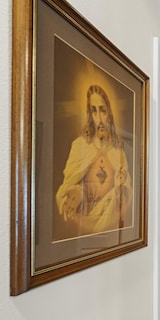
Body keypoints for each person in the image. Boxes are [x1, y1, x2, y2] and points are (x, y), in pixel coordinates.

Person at [55, 84, 132, 235]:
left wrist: (120, 186)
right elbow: (70, 183)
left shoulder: (118, 150)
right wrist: (77, 191)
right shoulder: (79, 145)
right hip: (83, 225)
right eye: (94, 110)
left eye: (102, 110)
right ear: (90, 114)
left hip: (110, 225)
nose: (99, 118)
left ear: (109, 113)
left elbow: (128, 192)